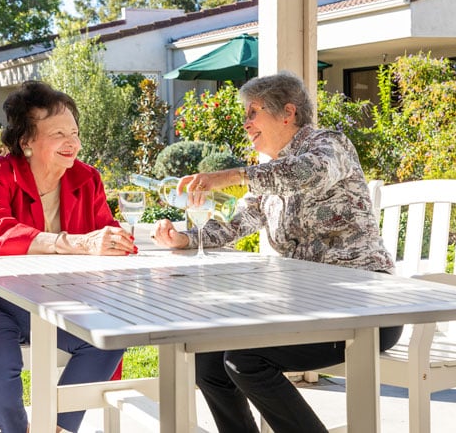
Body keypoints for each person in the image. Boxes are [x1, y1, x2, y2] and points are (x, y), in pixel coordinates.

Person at [151, 71, 402, 433]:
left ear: (287, 112)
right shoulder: (270, 175)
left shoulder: (329, 146)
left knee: (244, 361)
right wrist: (186, 240)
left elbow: (305, 174)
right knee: (206, 360)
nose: (245, 122)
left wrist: (234, 175)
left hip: (366, 311)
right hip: (310, 310)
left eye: (253, 112)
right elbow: (237, 224)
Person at [0, 81, 135, 433]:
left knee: (111, 337)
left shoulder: (87, 178)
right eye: (58, 133)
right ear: (26, 141)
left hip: (56, 301)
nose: (72, 142)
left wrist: (128, 239)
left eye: (74, 132)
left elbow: (105, 237)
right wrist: (75, 244)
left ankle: (58, 428)